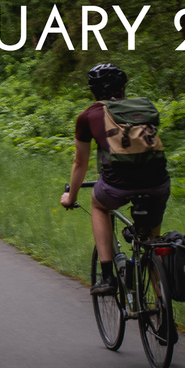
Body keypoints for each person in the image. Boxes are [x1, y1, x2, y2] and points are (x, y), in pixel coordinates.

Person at [59, 62, 170, 296]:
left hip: (117, 185)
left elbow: (80, 162)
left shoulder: (88, 116)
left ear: (93, 91)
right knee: (152, 241)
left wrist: (71, 197)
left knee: (99, 205)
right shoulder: (143, 107)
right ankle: (163, 306)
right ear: (122, 88)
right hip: (158, 183)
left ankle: (107, 275)